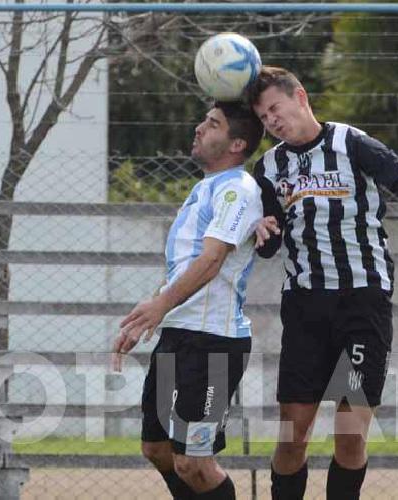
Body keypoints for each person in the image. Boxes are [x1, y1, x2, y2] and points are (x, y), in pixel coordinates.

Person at [245, 66, 398, 500]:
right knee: (291, 435)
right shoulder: (269, 167)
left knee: (350, 432)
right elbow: (268, 246)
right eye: (264, 118)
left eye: (275, 109)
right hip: (305, 311)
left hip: (363, 306)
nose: (272, 121)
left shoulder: (350, 143)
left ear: (300, 96)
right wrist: (262, 231)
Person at [112, 101, 271, 500]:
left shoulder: (239, 190)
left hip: (213, 345)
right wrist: (145, 316)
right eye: (203, 120)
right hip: (178, 338)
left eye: (212, 124)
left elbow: (212, 260)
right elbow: (182, 268)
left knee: (194, 462)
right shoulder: (203, 189)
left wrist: (161, 306)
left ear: (237, 143)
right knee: (159, 450)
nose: (199, 128)